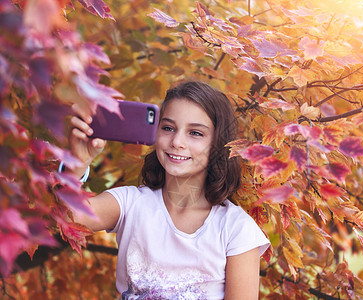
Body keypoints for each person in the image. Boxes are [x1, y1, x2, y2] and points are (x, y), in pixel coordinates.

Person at [65, 81, 270, 299]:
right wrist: (76, 162)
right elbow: (66, 218)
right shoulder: (130, 203)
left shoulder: (236, 228)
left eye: (195, 133)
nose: (177, 141)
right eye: (168, 128)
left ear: (217, 144)